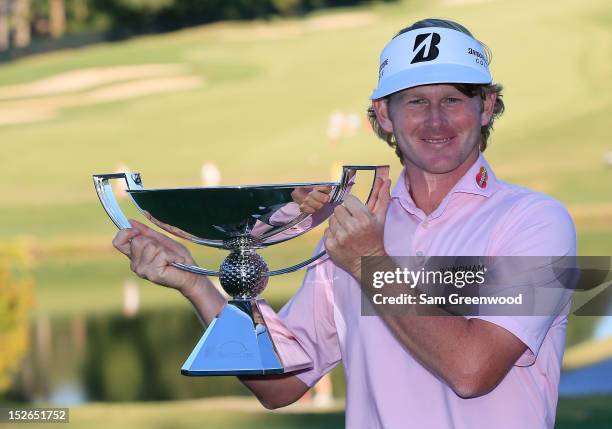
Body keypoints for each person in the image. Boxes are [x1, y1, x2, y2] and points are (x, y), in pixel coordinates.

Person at [112, 18, 576, 428]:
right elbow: (279, 386)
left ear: (487, 106)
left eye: (454, 99)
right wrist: (197, 284)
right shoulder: (352, 234)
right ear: (383, 116)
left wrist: (370, 262)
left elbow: (473, 370)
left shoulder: (535, 221)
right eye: (415, 101)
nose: (436, 120)